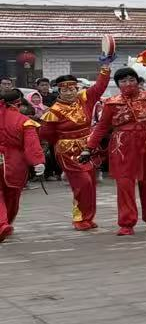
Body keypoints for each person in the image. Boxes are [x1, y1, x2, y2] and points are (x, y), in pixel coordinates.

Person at [85, 67, 146, 236]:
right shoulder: (111, 103)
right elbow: (102, 127)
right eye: (123, 81)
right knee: (125, 183)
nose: (128, 84)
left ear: (138, 81)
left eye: (131, 80)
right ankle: (127, 223)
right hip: (123, 145)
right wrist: (89, 148)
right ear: (118, 85)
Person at [37, 55, 112, 230]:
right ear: (59, 91)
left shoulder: (84, 98)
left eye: (72, 89)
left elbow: (100, 87)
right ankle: (79, 219)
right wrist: (63, 143)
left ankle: (88, 217)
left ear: (76, 89)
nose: (69, 92)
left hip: (88, 146)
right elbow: (46, 134)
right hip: (68, 150)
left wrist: (106, 67)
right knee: (82, 183)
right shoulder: (54, 111)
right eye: (65, 90)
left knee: (91, 183)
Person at [0, 87, 46, 244]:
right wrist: (38, 162)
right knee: (13, 195)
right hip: (14, 162)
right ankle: (5, 223)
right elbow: (31, 144)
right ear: (18, 104)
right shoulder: (24, 121)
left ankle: (2, 223)